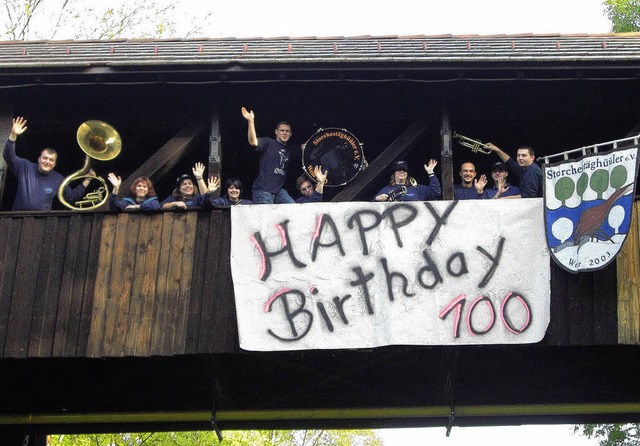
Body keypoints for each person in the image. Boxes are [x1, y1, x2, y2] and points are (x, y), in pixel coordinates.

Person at [3, 116, 93, 211]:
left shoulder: (58, 178)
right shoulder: (25, 167)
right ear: (39, 159)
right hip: (17, 220)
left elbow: (71, 197)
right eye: (45, 158)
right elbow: (8, 156)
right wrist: (13, 135)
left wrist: (87, 180)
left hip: (41, 222)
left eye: (51, 160)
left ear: (54, 164)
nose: (47, 162)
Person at [241, 106, 300, 204]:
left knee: (293, 209)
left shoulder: (290, 150)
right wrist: (251, 121)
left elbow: (307, 146)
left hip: (278, 191)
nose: (284, 133)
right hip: (263, 190)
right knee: (265, 219)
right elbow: (253, 142)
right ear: (276, 132)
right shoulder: (269, 143)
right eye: (282, 130)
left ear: (290, 134)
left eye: (287, 131)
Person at [373, 159, 441, 202]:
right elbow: (371, 207)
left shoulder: (417, 189)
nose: (402, 171)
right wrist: (377, 199)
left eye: (405, 170)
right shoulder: (386, 190)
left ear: (407, 173)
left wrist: (431, 173)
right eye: (399, 169)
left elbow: (435, 192)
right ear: (394, 173)